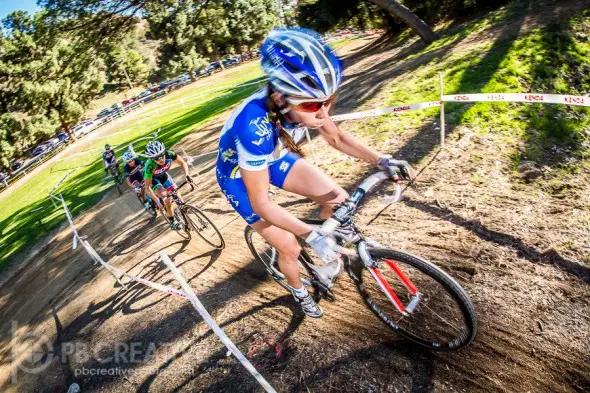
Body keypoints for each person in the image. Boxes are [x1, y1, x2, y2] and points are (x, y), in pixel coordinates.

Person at [216, 28, 414, 318]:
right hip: (237, 178)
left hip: (272, 159)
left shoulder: (309, 101)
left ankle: (325, 259)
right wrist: (309, 234)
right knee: (289, 246)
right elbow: (262, 204)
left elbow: (337, 138)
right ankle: (300, 293)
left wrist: (382, 160)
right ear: (281, 98)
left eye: (329, 99)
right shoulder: (252, 125)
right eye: (311, 105)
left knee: (338, 200)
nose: (323, 113)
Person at [143, 140, 192, 230]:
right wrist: (157, 201)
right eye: (157, 158)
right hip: (154, 180)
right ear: (152, 158)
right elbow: (147, 188)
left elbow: (182, 163)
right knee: (167, 198)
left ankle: (182, 209)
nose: (161, 159)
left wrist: (187, 175)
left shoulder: (169, 154)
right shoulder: (149, 166)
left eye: (162, 155)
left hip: (163, 176)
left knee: (177, 193)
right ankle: (172, 221)